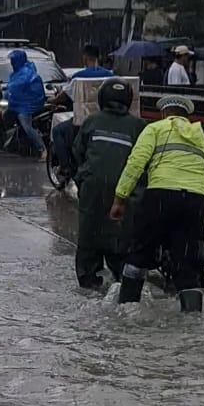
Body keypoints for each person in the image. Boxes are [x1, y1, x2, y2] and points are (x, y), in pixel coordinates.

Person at [111, 95, 204, 312]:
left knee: (139, 255)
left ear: (164, 113)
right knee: (188, 264)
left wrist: (120, 198)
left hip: (161, 195)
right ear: (187, 116)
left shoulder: (155, 129)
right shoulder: (200, 136)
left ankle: (126, 313)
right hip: (196, 199)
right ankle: (192, 320)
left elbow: (135, 163)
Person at [72, 79, 146, 289]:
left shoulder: (91, 121)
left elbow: (78, 151)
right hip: (126, 192)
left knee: (89, 234)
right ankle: (123, 281)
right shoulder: (138, 126)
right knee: (121, 237)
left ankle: (89, 281)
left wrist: (84, 177)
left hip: (92, 188)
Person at [50, 45, 115, 180]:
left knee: (58, 131)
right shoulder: (111, 76)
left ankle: (65, 167)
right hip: (107, 120)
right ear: (98, 57)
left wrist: (53, 100)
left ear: (85, 57)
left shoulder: (79, 76)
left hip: (83, 121)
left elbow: (64, 96)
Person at [5, 49, 48, 162]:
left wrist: (6, 92)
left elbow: (16, 87)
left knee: (27, 126)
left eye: (13, 60)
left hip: (27, 105)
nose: (11, 63)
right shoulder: (19, 71)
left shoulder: (26, 73)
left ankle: (43, 149)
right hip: (20, 103)